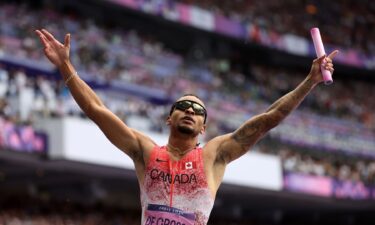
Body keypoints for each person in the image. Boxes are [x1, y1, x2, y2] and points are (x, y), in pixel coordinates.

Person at [35, 29, 338, 225]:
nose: (190, 111)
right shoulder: (144, 152)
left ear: (203, 127)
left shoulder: (214, 155)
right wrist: (65, 66)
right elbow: (96, 109)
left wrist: (310, 81)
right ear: (169, 118)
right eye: (183, 106)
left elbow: (270, 118)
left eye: (198, 111)